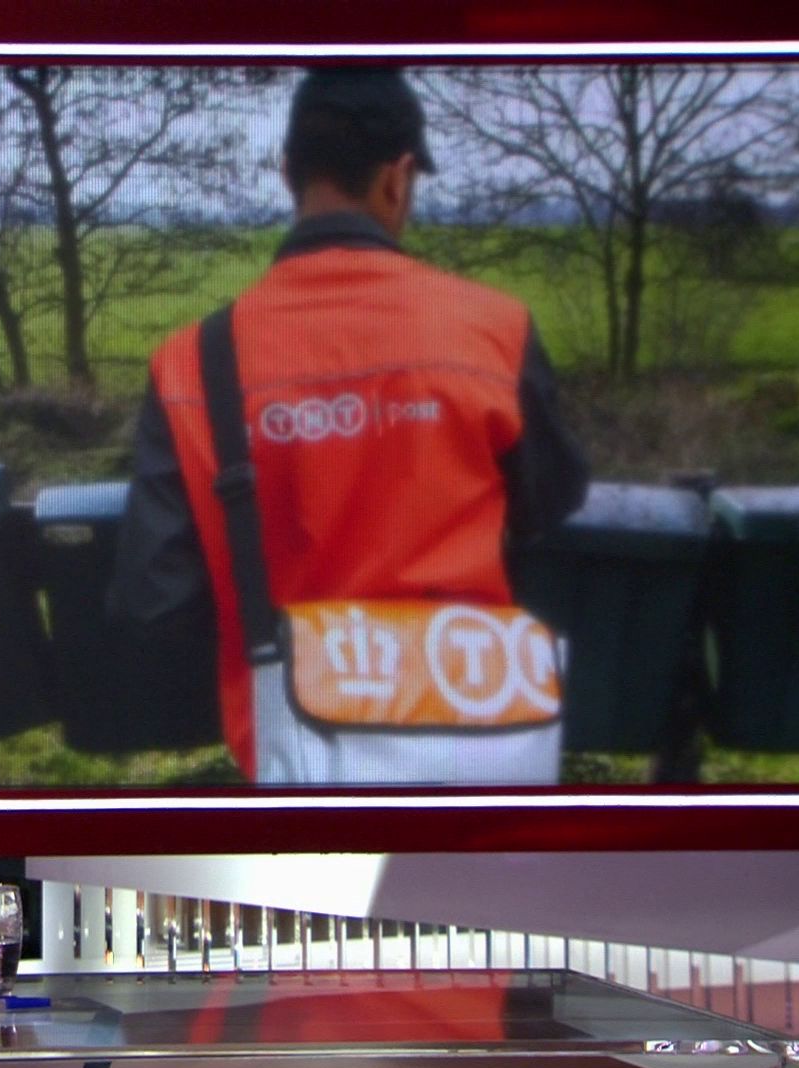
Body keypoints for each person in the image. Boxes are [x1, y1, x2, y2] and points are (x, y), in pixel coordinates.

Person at [108, 67, 588, 785]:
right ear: (397, 179)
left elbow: (154, 603)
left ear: (288, 174)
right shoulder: (496, 331)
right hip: (484, 741)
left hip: (296, 757)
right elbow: (550, 500)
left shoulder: (193, 364)